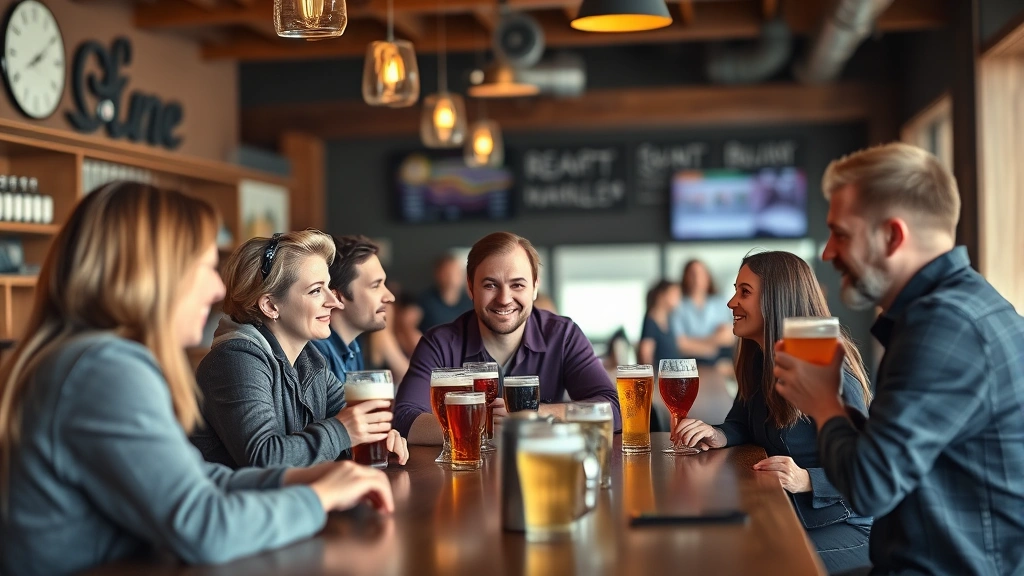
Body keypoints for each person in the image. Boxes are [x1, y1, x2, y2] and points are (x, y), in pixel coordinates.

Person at [0, 183, 394, 576]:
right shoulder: (104, 369)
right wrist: (317, 496)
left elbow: (196, 478)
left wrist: (299, 476)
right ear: (152, 274)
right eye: (205, 267)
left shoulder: (86, 359)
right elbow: (205, 527)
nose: (218, 288)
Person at [772, 143, 1024, 574]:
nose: (828, 252)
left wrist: (823, 403)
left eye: (841, 233)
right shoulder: (968, 307)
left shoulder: (945, 327)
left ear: (892, 236)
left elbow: (869, 487)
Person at [674, 251, 873, 573]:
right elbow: (741, 422)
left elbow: (869, 466)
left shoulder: (830, 370)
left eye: (744, 292)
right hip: (791, 515)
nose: (731, 303)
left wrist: (807, 479)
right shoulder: (759, 360)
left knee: (758, 562)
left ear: (777, 300)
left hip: (850, 526)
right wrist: (718, 434)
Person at [189, 230, 409, 469]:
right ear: (271, 305)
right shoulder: (234, 359)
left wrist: (381, 437)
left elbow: (348, 422)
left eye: (328, 287)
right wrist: (345, 430)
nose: (334, 302)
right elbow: (265, 458)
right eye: (316, 290)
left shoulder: (309, 358)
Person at [394, 232, 621, 443]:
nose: (504, 298)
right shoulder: (439, 343)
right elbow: (404, 419)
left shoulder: (563, 335)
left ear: (534, 288)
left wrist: (535, 414)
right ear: (471, 289)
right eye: (490, 285)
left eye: (517, 285)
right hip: (462, 479)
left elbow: (614, 409)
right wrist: (482, 424)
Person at [310, 235, 397, 382]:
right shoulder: (316, 357)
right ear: (336, 297)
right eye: (375, 286)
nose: (390, 297)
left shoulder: (352, 348)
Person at [671, 259, 734, 364]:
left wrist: (693, 342)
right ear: (685, 277)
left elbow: (728, 337)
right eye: (692, 274)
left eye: (701, 273)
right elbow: (680, 345)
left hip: (720, 363)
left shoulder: (719, 303)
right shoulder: (678, 306)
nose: (697, 278)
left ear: (708, 276)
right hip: (688, 364)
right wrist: (712, 345)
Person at [417, 253, 473, 331]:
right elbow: (408, 327)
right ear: (438, 274)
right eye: (447, 273)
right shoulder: (424, 301)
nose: (452, 277)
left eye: (456, 273)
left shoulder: (470, 303)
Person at [638, 280, 682, 367]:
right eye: (675, 294)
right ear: (661, 296)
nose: (679, 299)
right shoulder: (650, 322)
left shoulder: (669, 320)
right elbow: (645, 354)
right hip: (660, 376)